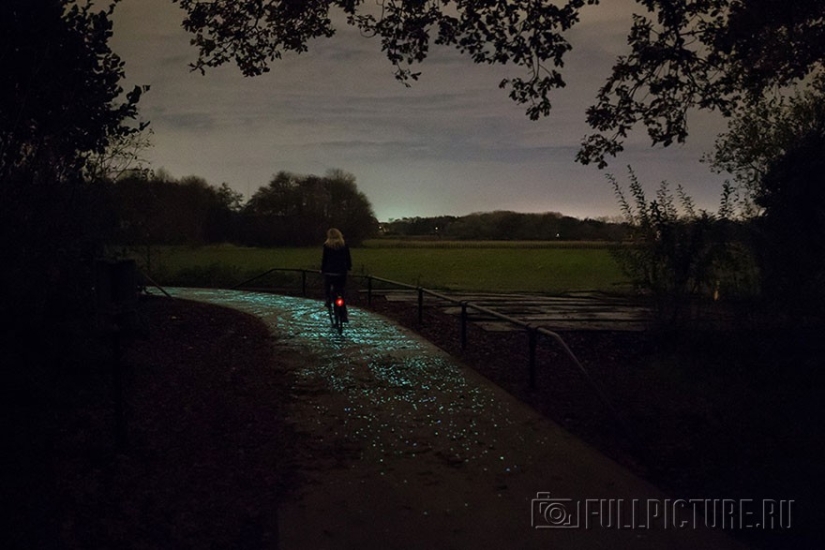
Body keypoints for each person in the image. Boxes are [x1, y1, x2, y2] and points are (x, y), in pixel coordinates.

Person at [321, 228, 352, 311]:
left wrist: (323, 270)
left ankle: (328, 299)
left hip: (329, 271)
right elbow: (348, 258)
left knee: (327, 286)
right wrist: (349, 267)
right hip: (341, 271)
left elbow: (324, 259)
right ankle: (343, 313)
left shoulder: (326, 246)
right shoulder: (344, 245)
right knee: (341, 290)